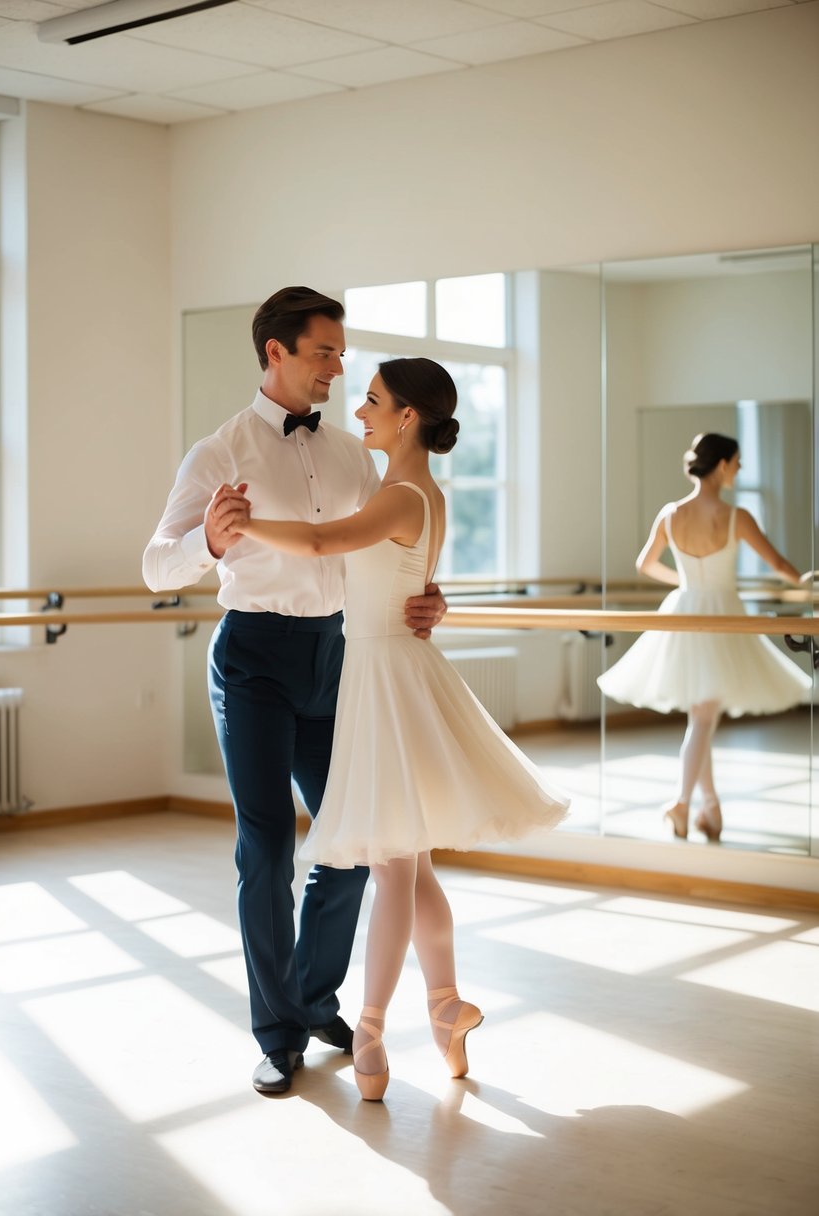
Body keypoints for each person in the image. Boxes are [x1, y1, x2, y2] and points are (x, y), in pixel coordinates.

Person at [142, 288, 448, 1097]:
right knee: (268, 846)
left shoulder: (353, 454)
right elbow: (154, 563)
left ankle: (313, 997)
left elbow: (383, 545)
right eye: (324, 352)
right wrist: (208, 541)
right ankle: (276, 1032)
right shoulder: (218, 452)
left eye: (343, 354)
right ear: (275, 352)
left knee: (352, 842)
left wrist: (428, 594)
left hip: (335, 653)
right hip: (251, 659)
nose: (338, 369)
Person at [238, 357, 570, 1101]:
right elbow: (408, 582)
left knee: (391, 865)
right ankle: (445, 1008)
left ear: (408, 416)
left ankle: (372, 1033)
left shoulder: (399, 494)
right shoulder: (422, 492)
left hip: (386, 677)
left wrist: (242, 524)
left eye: (374, 400)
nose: (360, 411)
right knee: (410, 867)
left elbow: (325, 546)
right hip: (388, 672)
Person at [598, 432, 812, 842]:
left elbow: (645, 563)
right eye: (737, 461)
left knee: (702, 715)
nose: (741, 469)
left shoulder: (670, 513)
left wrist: (683, 581)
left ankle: (709, 809)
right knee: (703, 716)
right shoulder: (736, 517)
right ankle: (681, 804)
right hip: (720, 616)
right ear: (722, 465)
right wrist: (804, 583)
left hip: (684, 609)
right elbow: (779, 563)